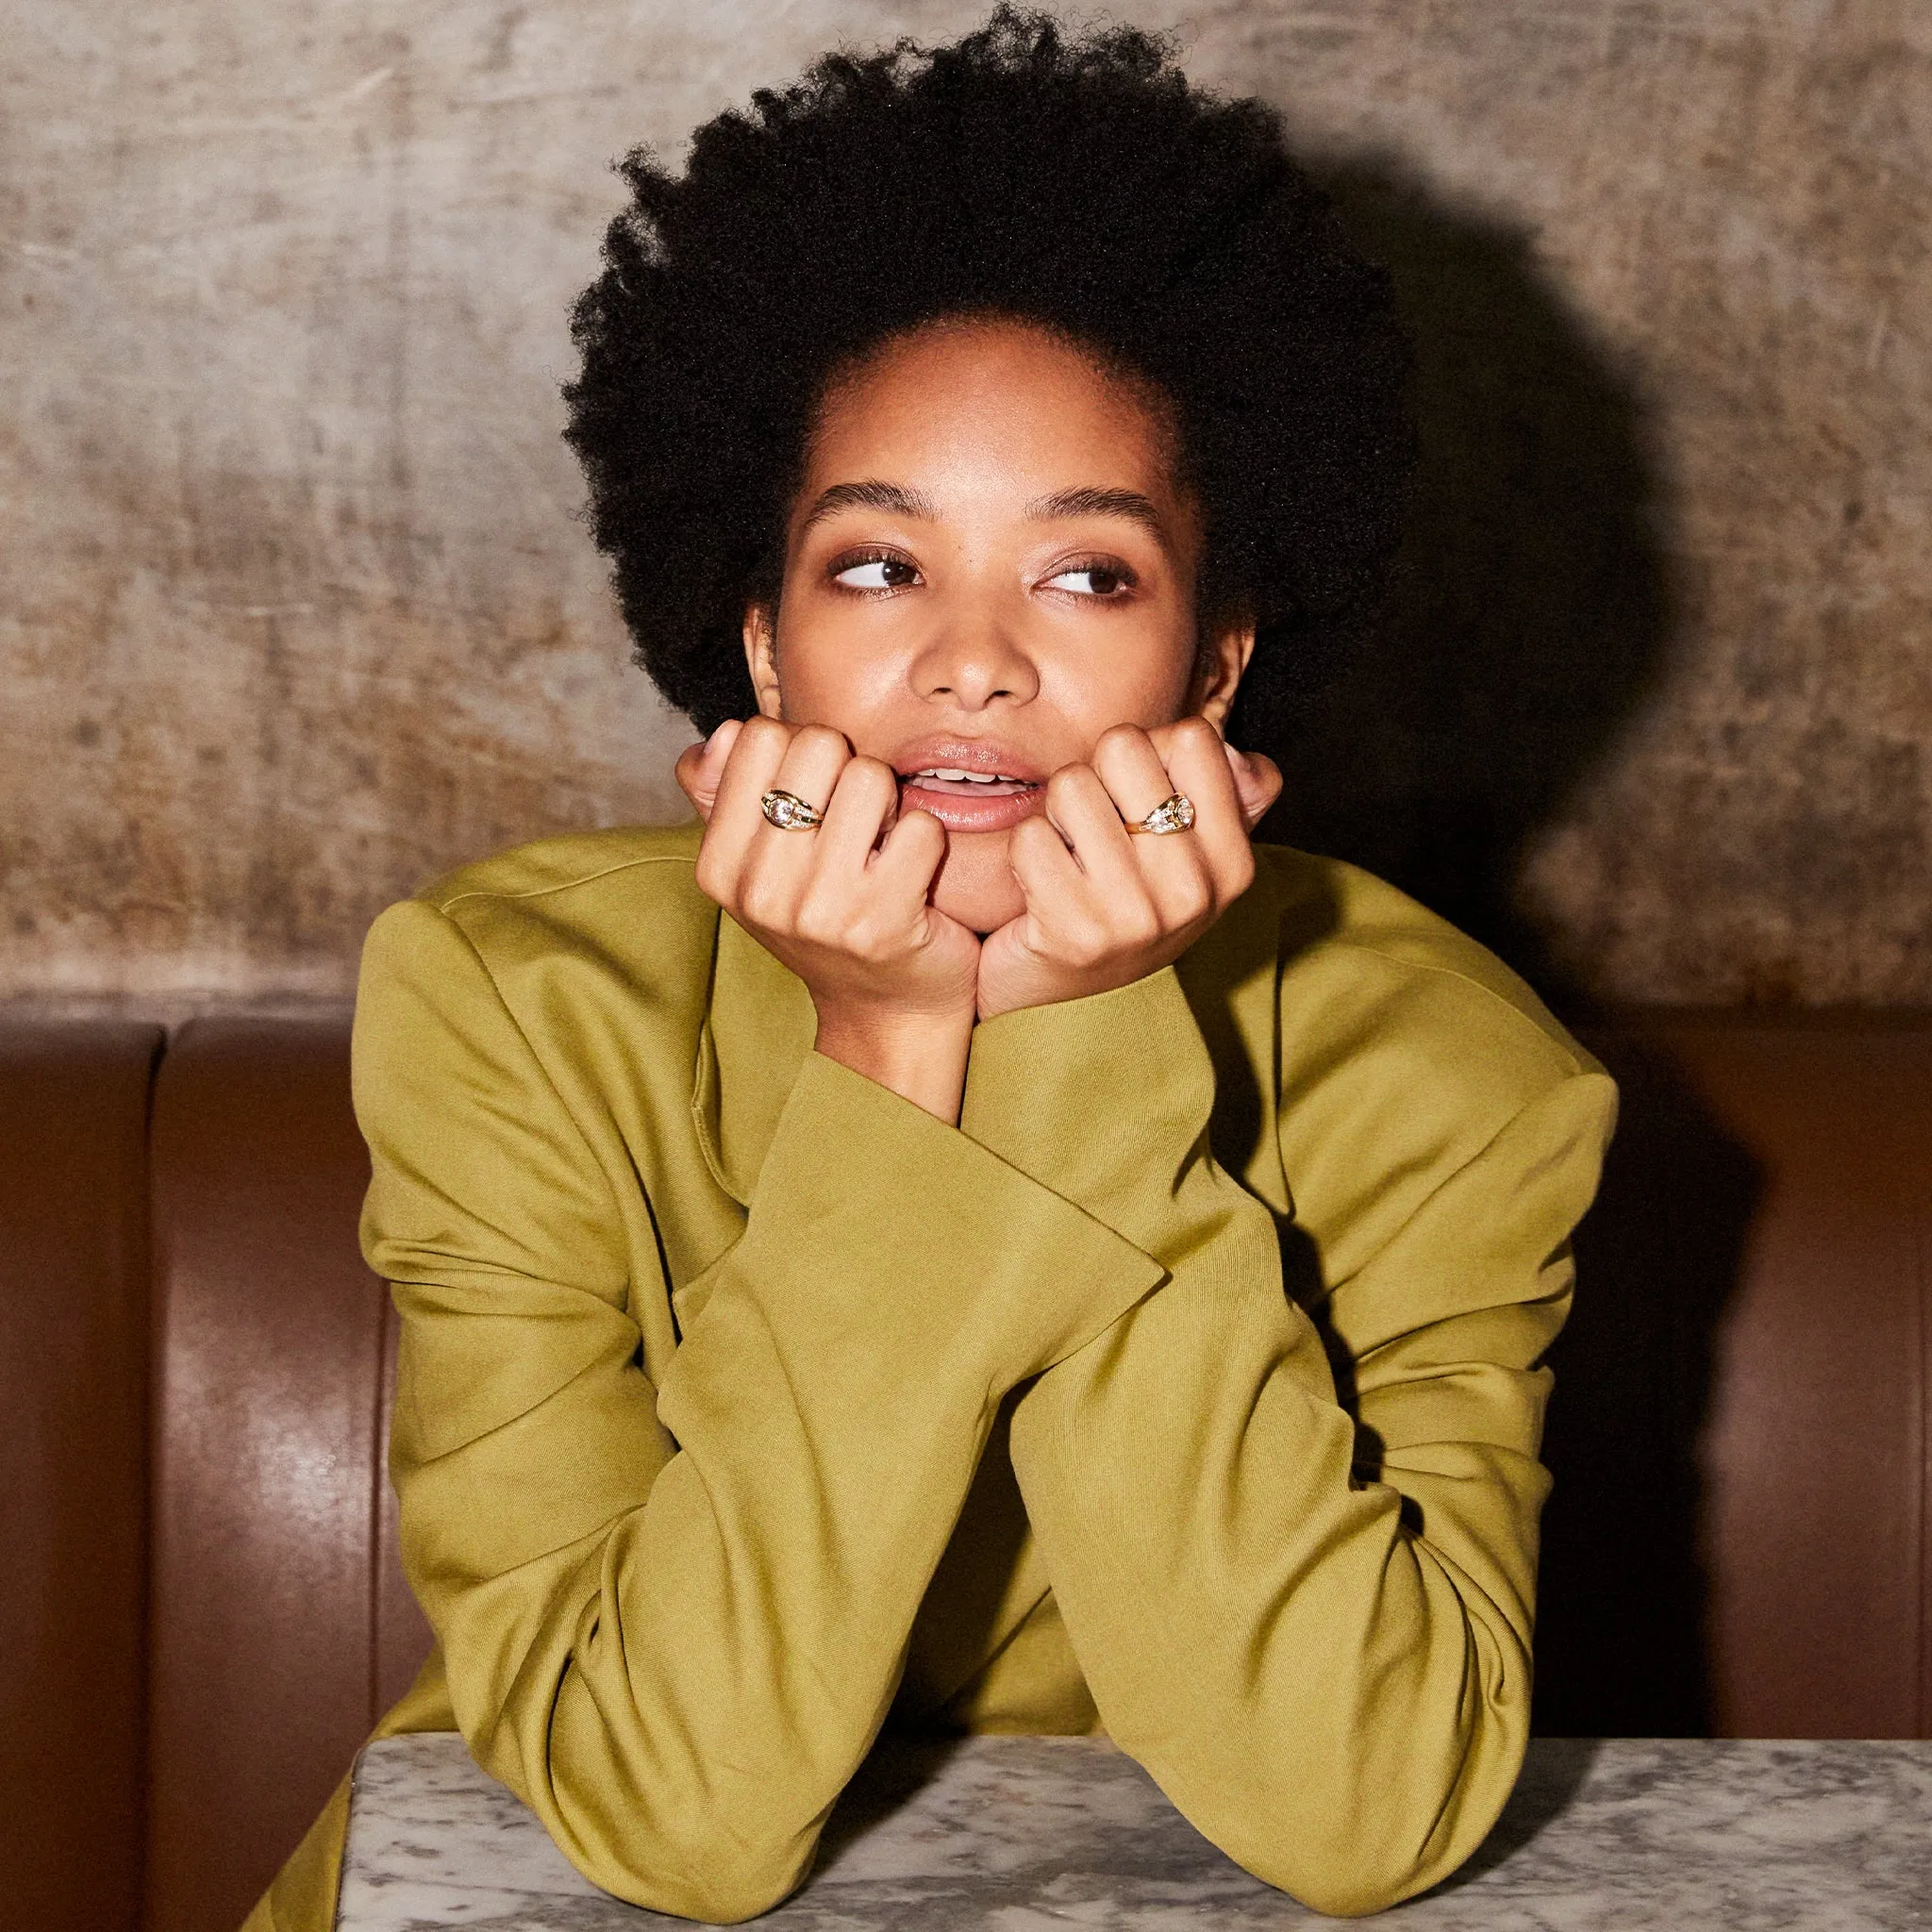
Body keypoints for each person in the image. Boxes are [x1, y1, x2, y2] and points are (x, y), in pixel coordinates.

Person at [245, 11, 1615, 1927]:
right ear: (763, 639)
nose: (972, 661)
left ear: (1215, 664)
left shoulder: (1457, 1082)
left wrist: (1075, 1028)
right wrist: (886, 1058)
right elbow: (667, 1812)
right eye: (880, 567)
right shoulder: (516, 1003)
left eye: (1085, 574)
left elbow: (1363, 1808)